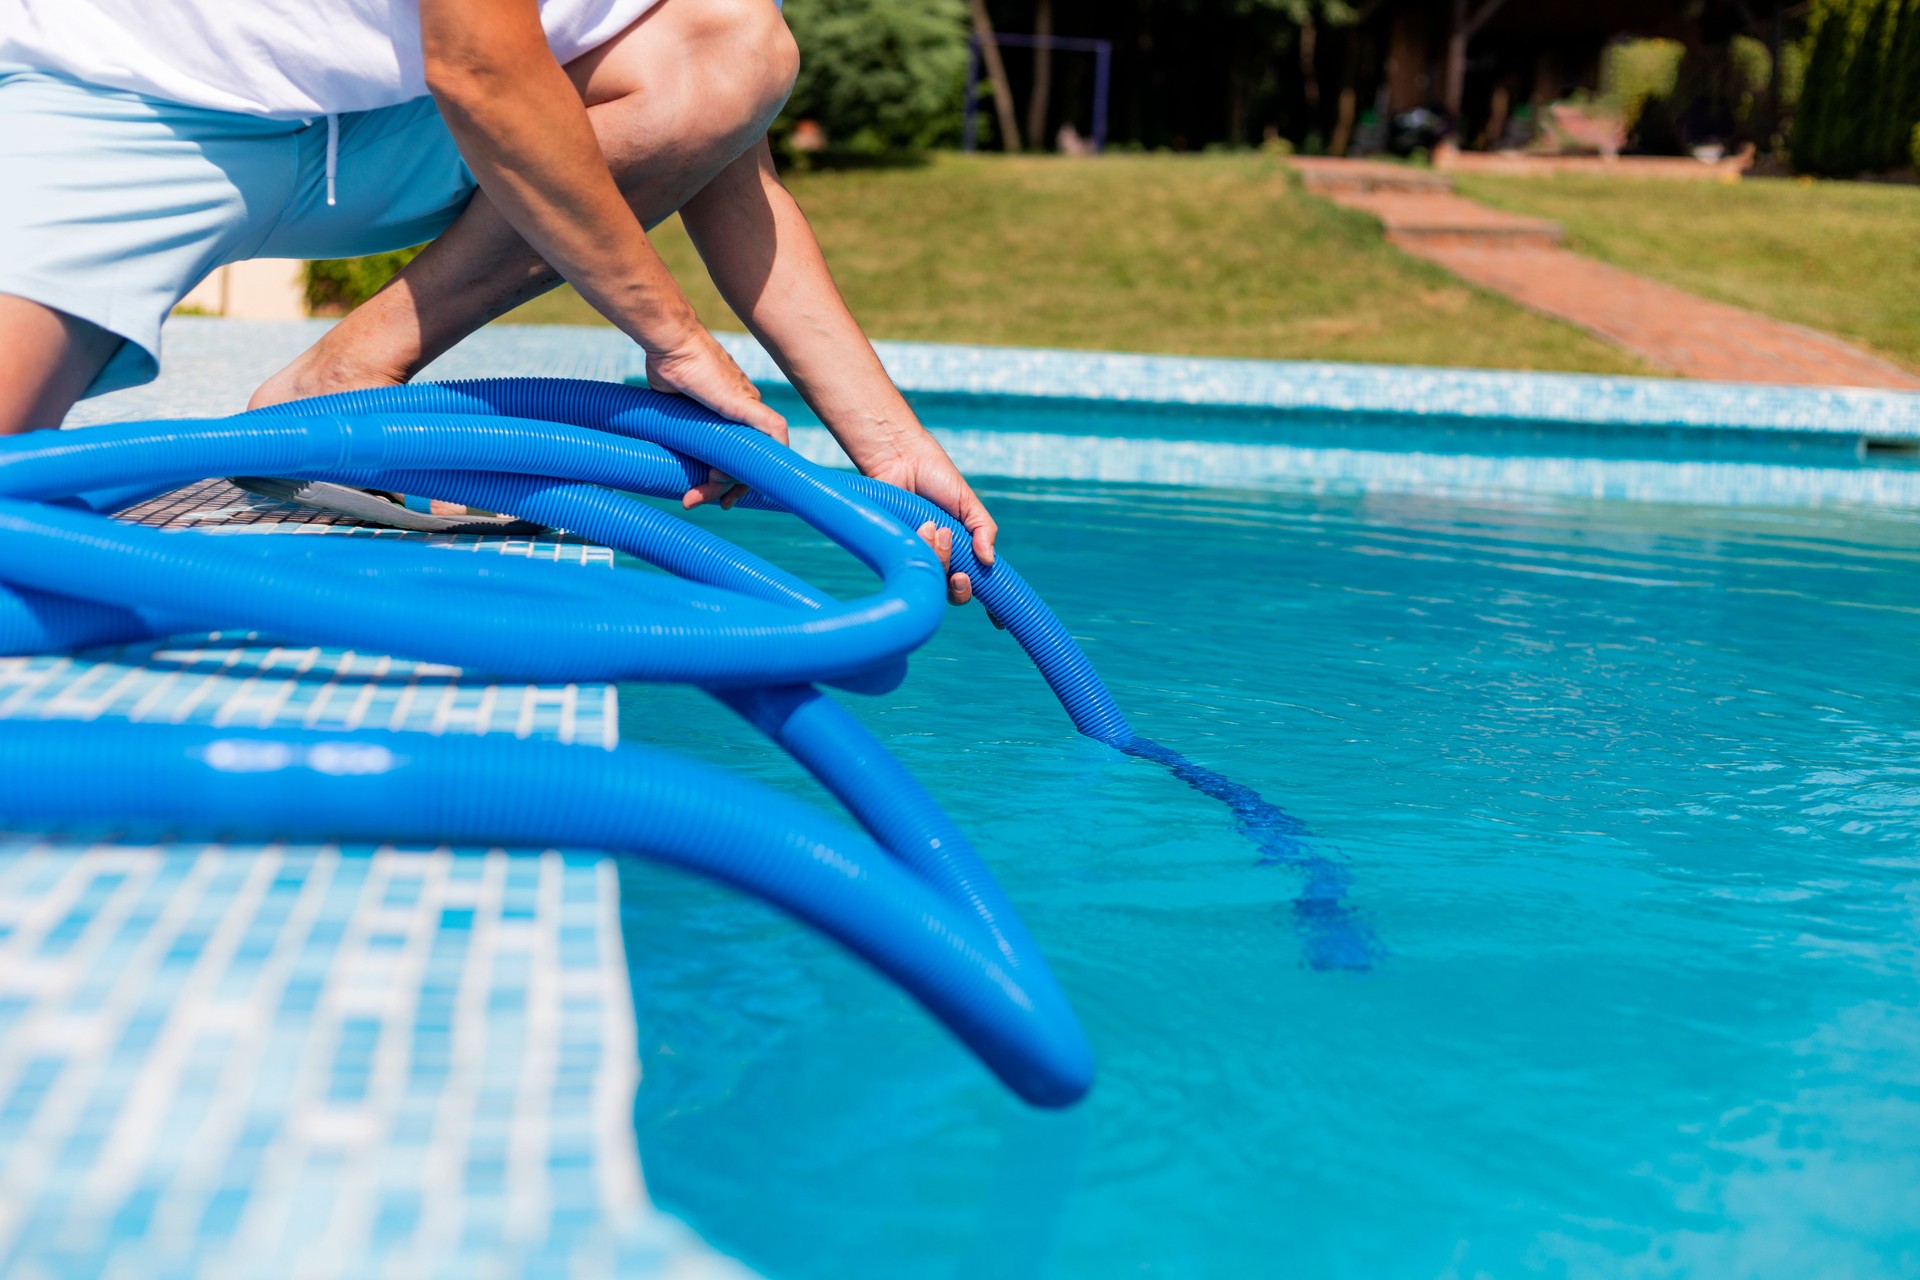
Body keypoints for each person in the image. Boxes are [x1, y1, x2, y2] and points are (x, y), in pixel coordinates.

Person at [0, 0, 996, 606]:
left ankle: (346, 369)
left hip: (402, 134)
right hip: (116, 110)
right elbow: (478, 63)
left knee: (732, 44)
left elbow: (729, 158)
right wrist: (674, 338)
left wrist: (892, 450)